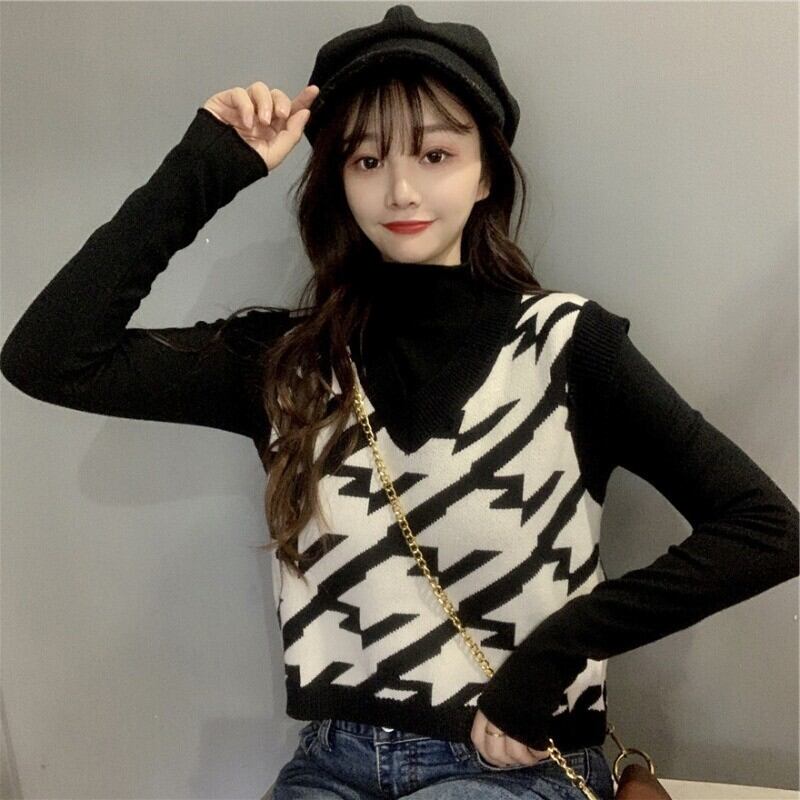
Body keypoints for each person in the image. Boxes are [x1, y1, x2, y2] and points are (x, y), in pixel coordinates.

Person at [1, 5, 797, 800]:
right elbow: (49, 359)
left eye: (436, 153)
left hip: (510, 767)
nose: (401, 188)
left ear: (486, 173)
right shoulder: (289, 364)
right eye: (367, 159)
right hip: (333, 764)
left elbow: (766, 529)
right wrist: (206, 167)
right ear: (339, 181)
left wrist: (553, 656)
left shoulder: (565, 348)